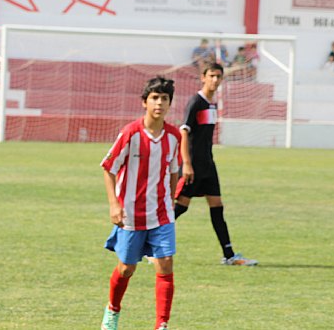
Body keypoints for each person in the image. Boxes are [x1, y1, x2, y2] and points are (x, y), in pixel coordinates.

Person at [100, 77, 181, 330]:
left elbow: (174, 171)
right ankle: (112, 311)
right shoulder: (131, 133)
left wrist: (170, 199)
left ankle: (162, 324)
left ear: (169, 103)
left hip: (162, 214)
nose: (160, 102)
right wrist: (114, 205)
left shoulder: (174, 136)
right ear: (145, 102)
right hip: (131, 215)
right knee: (126, 269)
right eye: (155, 98)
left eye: (164, 98)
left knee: (166, 263)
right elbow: (108, 167)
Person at [174, 62, 258, 266]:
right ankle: (150, 246)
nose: (215, 80)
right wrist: (186, 163)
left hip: (208, 165)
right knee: (180, 207)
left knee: (217, 206)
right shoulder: (196, 102)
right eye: (211, 75)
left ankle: (229, 255)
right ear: (203, 77)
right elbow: (183, 132)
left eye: (218, 76)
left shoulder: (213, 103)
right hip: (193, 164)